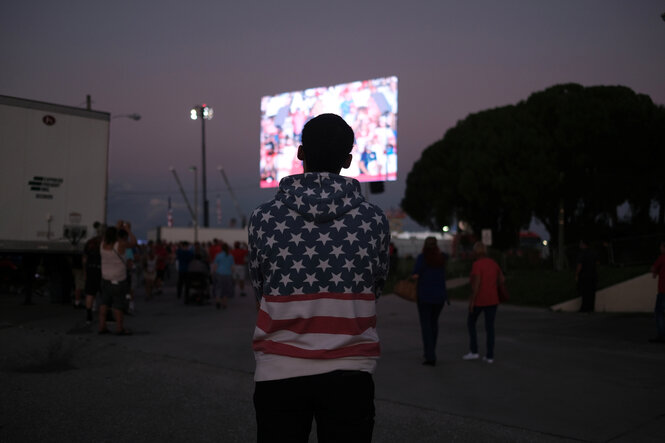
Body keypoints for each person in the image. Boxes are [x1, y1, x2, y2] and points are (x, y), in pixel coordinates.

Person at [248, 113, 390, 443]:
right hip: (351, 371)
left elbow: (261, 288)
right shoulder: (373, 220)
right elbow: (375, 285)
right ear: (348, 159)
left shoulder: (263, 218)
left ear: (300, 154)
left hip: (278, 370)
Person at [463, 241, 504, 364]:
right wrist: (492, 285)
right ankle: (490, 355)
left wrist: (471, 302)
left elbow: (476, 285)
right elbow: (502, 279)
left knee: (471, 323)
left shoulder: (477, 265)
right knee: (490, 327)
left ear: (476, 252)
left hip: (480, 300)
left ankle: (474, 351)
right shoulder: (493, 263)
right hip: (493, 299)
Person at [412, 237, 448, 366]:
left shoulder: (423, 258)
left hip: (425, 296)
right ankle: (430, 350)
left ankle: (430, 355)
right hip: (440, 297)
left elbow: (415, 274)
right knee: (434, 324)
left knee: (426, 326)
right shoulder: (442, 257)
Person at [98, 221, 136, 335]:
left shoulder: (102, 244)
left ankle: (102, 326)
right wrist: (127, 229)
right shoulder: (120, 245)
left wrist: (115, 227)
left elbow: (107, 235)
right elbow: (133, 242)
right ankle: (120, 328)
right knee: (118, 305)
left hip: (105, 279)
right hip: (118, 280)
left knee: (104, 303)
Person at [83, 222, 104, 324]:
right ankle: (105, 316)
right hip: (101, 270)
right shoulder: (103, 243)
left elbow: (84, 259)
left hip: (90, 270)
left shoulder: (88, 243)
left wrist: (85, 271)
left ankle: (88, 316)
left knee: (89, 294)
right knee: (104, 294)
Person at [576, 238, 598, 313]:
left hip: (584, 275)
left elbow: (580, 265)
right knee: (591, 292)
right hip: (593, 275)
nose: (579, 245)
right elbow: (596, 262)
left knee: (584, 292)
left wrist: (577, 274)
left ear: (583, 244)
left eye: (580, 243)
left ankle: (584, 308)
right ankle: (590, 308)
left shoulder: (582, 253)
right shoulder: (592, 252)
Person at [649, 241, 665, 343]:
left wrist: (654, 272)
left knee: (659, 313)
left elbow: (654, 268)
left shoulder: (662, 257)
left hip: (663, 291)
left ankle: (661, 335)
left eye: (661, 247)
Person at [212, 243, 234, 310]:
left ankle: (218, 300)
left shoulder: (218, 255)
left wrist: (213, 273)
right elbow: (232, 267)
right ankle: (224, 303)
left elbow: (215, 266)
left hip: (219, 273)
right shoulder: (230, 256)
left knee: (218, 287)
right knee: (225, 289)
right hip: (228, 274)